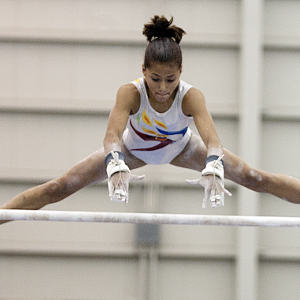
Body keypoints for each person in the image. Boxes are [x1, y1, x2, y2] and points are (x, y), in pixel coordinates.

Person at [1, 15, 300, 223]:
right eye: (155, 78)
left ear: (180, 73)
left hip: (182, 148)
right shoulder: (130, 93)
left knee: (254, 178)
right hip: (132, 150)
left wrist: (213, 164)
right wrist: (114, 161)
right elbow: (111, 137)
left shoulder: (190, 96)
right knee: (60, 187)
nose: (162, 87)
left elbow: (213, 141)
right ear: (143, 70)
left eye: (170, 79)